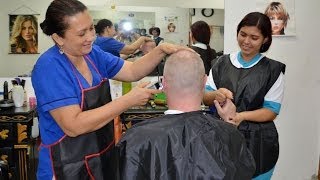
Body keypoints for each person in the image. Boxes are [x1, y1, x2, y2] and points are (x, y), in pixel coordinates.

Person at [31, 0, 191, 179]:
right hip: (65, 167)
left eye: (91, 28)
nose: (91, 37)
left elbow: (132, 71)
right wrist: (128, 101)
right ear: (58, 37)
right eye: (82, 33)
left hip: (100, 157)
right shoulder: (50, 67)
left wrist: (160, 50)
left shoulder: (93, 54)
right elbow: (73, 125)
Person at [117, 50, 256, 180]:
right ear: (204, 81)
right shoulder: (229, 134)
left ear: (164, 84)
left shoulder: (136, 139)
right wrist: (229, 127)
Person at [203, 12, 286, 179]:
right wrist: (215, 95)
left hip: (259, 143)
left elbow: (271, 110)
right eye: (243, 34)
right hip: (222, 138)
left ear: (265, 40)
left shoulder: (272, 70)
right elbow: (204, 97)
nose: (246, 41)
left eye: (254, 37)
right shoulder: (221, 63)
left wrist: (240, 116)